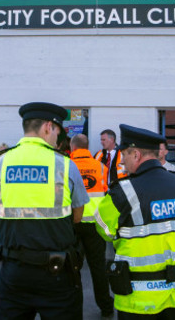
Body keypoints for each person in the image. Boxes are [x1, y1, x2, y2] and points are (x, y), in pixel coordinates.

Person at [0, 102, 89, 320]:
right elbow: (78, 215)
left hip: (13, 271)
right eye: (57, 131)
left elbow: (1, 207)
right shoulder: (64, 164)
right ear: (47, 127)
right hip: (57, 272)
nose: (58, 138)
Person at [95, 124, 175, 319]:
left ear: (136, 155)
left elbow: (104, 231)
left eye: (124, 156)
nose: (123, 163)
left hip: (138, 300)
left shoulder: (123, 192)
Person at [70, 134, 114, 318]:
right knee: (98, 267)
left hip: (73, 224)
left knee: (72, 268)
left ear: (73, 148)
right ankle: (106, 306)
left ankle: (72, 308)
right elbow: (106, 193)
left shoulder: (66, 166)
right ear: (87, 147)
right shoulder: (101, 167)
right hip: (95, 225)